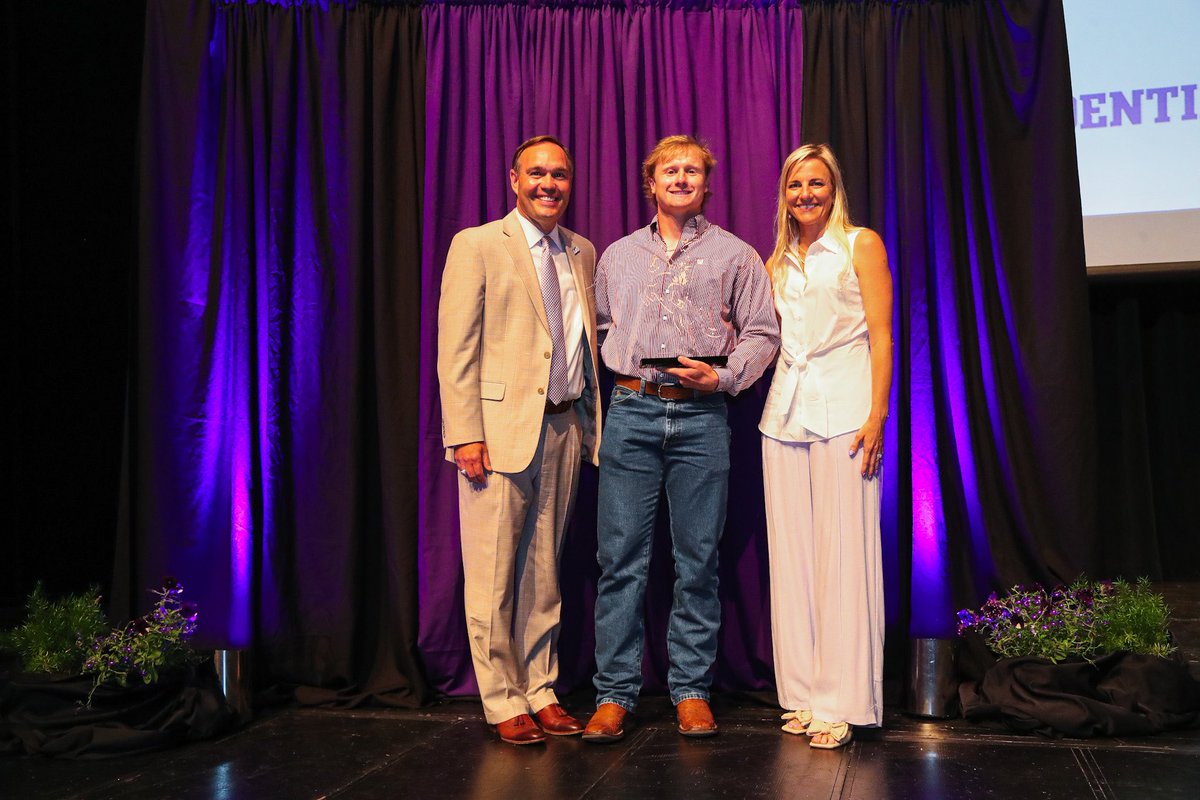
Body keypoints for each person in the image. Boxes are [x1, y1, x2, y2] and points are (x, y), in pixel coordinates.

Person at [583, 135, 779, 742]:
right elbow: (603, 326)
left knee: (697, 563)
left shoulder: (737, 255)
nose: (681, 177)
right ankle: (614, 693)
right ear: (652, 181)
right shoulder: (615, 256)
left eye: (692, 170)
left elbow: (764, 333)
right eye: (670, 169)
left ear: (706, 182)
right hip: (632, 412)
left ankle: (692, 690)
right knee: (620, 562)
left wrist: (720, 377)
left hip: (701, 419)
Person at [437, 135, 601, 745]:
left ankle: (542, 688)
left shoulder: (581, 251)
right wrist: (465, 434)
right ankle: (503, 698)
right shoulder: (478, 244)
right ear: (513, 178)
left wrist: (587, 424)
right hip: (497, 435)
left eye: (559, 174)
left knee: (546, 572)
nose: (548, 185)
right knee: (493, 573)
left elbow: (582, 342)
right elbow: (456, 348)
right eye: (537, 173)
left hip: (563, 426)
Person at [758, 144, 893, 749]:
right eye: (795, 186)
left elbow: (884, 335)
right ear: (784, 194)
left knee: (845, 557)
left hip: (846, 413)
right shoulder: (776, 261)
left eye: (816, 183)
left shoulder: (861, 244)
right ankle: (806, 695)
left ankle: (844, 702)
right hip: (783, 415)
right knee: (794, 559)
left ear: (834, 188)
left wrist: (878, 415)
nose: (805, 194)